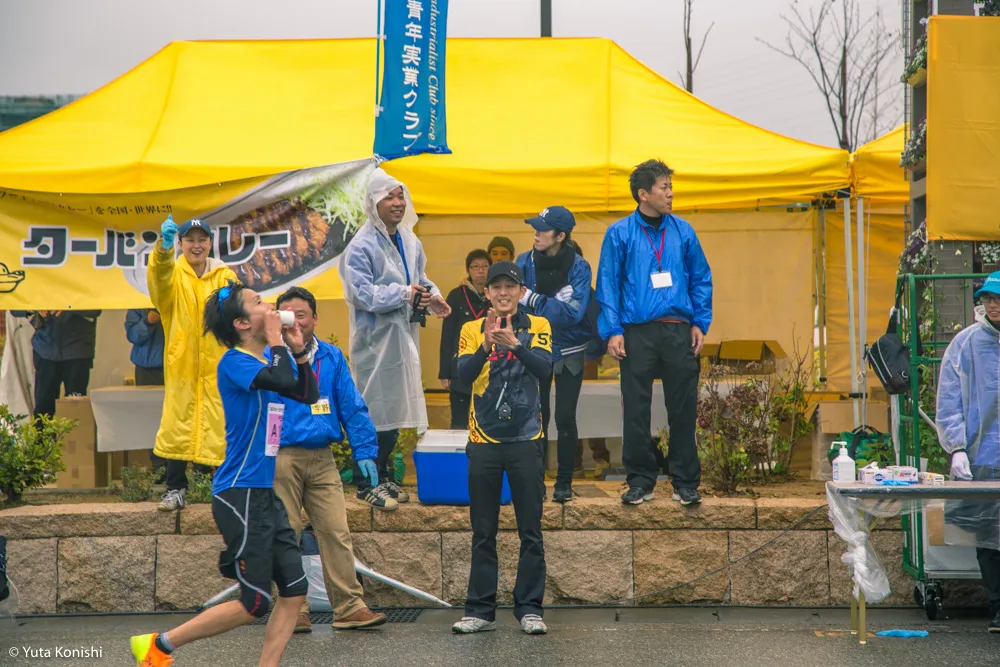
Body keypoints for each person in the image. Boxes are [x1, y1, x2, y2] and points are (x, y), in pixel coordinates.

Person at [130, 282, 319, 667]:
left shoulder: (267, 361)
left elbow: (307, 393)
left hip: (264, 492)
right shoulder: (234, 361)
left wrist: (297, 349)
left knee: (295, 590)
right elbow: (282, 382)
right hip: (239, 493)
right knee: (255, 603)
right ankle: (158, 645)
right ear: (241, 323)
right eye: (258, 303)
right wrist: (277, 342)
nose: (269, 306)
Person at [596, 159, 712, 507]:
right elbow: (607, 284)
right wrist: (613, 331)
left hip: (678, 330)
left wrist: (699, 322)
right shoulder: (619, 233)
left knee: (683, 407)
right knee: (635, 408)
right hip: (636, 332)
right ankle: (641, 480)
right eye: (663, 187)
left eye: (671, 187)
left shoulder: (684, 231)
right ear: (643, 194)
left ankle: (685, 481)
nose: (670, 193)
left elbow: (700, 278)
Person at [273, 286, 389, 634]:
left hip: (322, 458)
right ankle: (294, 610)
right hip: (281, 458)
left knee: (336, 531)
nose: (294, 321)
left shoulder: (331, 357)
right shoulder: (268, 356)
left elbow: (353, 407)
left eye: (301, 314)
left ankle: (349, 607)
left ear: (315, 319)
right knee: (287, 534)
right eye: (286, 314)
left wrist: (366, 451)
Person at [339, 168, 451, 509]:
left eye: (401, 195)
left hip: (402, 338)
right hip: (375, 342)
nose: (398, 203)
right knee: (373, 412)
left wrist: (432, 295)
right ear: (374, 202)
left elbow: (418, 277)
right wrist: (404, 293)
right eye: (389, 196)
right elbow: (361, 294)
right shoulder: (360, 245)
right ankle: (365, 482)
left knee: (395, 413)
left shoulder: (410, 239)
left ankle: (384, 477)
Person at [451, 261, 552, 636]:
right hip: (483, 441)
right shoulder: (470, 329)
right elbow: (462, 376)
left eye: (510, 286)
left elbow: (545, 370)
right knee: (483, 530)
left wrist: (516, 346)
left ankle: (529, 608)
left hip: (526, 440)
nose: (503, 293)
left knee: (531, 529)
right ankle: (480, 610)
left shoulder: (538, 326)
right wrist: (486, 345)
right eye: (496, 287)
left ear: (520, 291)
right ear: (487, 293)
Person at [148, 216, 238, 512]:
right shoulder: (173, 275)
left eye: (202, 240)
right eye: (189, 240)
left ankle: (223, 489)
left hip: (219, 368)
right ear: (181, 243)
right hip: (183, 366)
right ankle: (175, 490)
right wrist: (163, 248)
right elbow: (158, 277)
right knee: (178, 424)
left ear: (210, 243)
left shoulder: (226, 277)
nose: (196, 245)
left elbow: (239, 316)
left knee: (221, 425)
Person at [936, 271, 1000, 633]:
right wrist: (957, 447)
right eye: (988, 298)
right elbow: (948, 400)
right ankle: (999, 608)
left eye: (999, 299)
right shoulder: (965, 345)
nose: (993, 305)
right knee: (990, 537)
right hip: (984, 459)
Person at [516, 206, 592, 503]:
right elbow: (515, 306)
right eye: (534, 226)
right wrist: (546, 306)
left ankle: (563, 482)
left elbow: (572, 314)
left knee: (564, 417)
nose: (536, 232)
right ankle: (536, 479)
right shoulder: (523, 261)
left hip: (571, 349)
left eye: (543, 229)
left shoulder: (579, 267)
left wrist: (534, 299)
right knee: (537, 416)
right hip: (536, 346)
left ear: (561, 236)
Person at [11, 309, 101, 418]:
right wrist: (35, 308)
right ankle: (42, 435)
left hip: (77, 352)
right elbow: (14, 307)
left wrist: (67, 306)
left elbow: (96, 309)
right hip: (45, 350)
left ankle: (75, 435)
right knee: (43, 410)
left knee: (75, 408)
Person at [439, 249, 491, 429]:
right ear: (468, 270)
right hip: (459, 364)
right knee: (459, 422)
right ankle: (459, 457)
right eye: (475, 267)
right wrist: (444, 372)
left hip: (489, 366)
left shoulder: (497, 295)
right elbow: (447, 335)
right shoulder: (456, 295)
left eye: (485, 266)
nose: (480, 270)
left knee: (486, 420)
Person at [125, 307, 168, 478]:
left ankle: (179, 467)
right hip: (147, 368)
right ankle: (159, 467)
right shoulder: (137, 305)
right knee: (150, 419)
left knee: (176, 416)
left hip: (175, 366)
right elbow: (133, 336)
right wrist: (148, 322)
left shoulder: (175, 298)